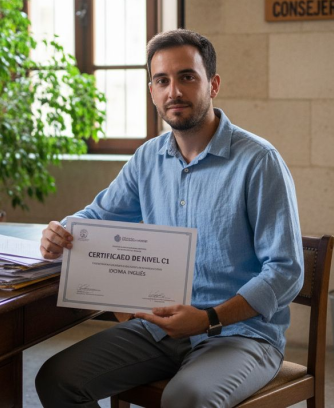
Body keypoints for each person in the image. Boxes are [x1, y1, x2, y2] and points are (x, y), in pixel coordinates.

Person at [36, 29, 303, 408]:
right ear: (152, 92)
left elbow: (286, 271)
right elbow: (97, 217)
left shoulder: (259, 161)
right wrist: (62, 231)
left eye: (187, 77)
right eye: (162, 80)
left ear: (213, 84)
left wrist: (208, 318)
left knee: (184, 399)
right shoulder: (147, 159)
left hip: (241, 336)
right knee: (57, 379)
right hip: (159, 330)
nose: (173, 91)